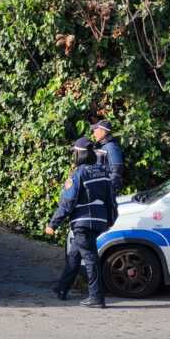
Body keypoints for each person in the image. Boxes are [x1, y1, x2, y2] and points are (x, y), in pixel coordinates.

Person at [45, 137, 117, 308]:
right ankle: (62, 288)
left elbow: (68, 202)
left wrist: (53, 224)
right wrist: (110, 220)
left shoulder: (79, 173)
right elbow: (111, 200)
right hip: (98, 222)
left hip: (82, 224)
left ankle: (96, 298)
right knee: (74, 256)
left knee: (90, 259)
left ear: (80, 154)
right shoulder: (103, 171)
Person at [91, 119, 124, 195]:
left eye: (95, 130)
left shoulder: (111, 147)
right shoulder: (103, 146)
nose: (94, 133)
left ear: (103, 131)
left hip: (108, 192)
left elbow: (116, 171)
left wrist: (108, 191)